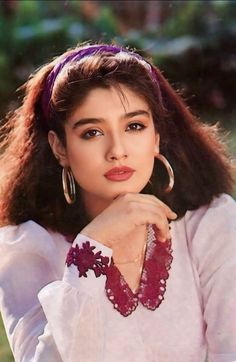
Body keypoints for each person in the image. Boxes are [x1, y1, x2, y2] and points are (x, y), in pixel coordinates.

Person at [0, 43, 235, 362]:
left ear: (156, 137)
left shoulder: (210, 226)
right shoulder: (26, 249)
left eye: (134, 126)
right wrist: (92, 247)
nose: (117, 150)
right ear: (60, 148)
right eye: (92, 132)